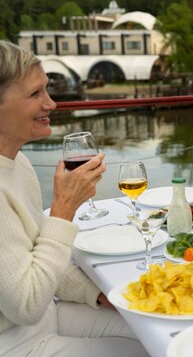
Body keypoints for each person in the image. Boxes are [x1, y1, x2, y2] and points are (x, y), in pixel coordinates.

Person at [0, 40, 148, 357]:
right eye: (35, 94)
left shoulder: (19, 163)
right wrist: (63, 211)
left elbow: (40, 258)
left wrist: (101, 295)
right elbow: (26, 305)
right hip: (13, 340)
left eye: (47, 90)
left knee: (152, 326)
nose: (51, 103)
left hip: (46, 316)